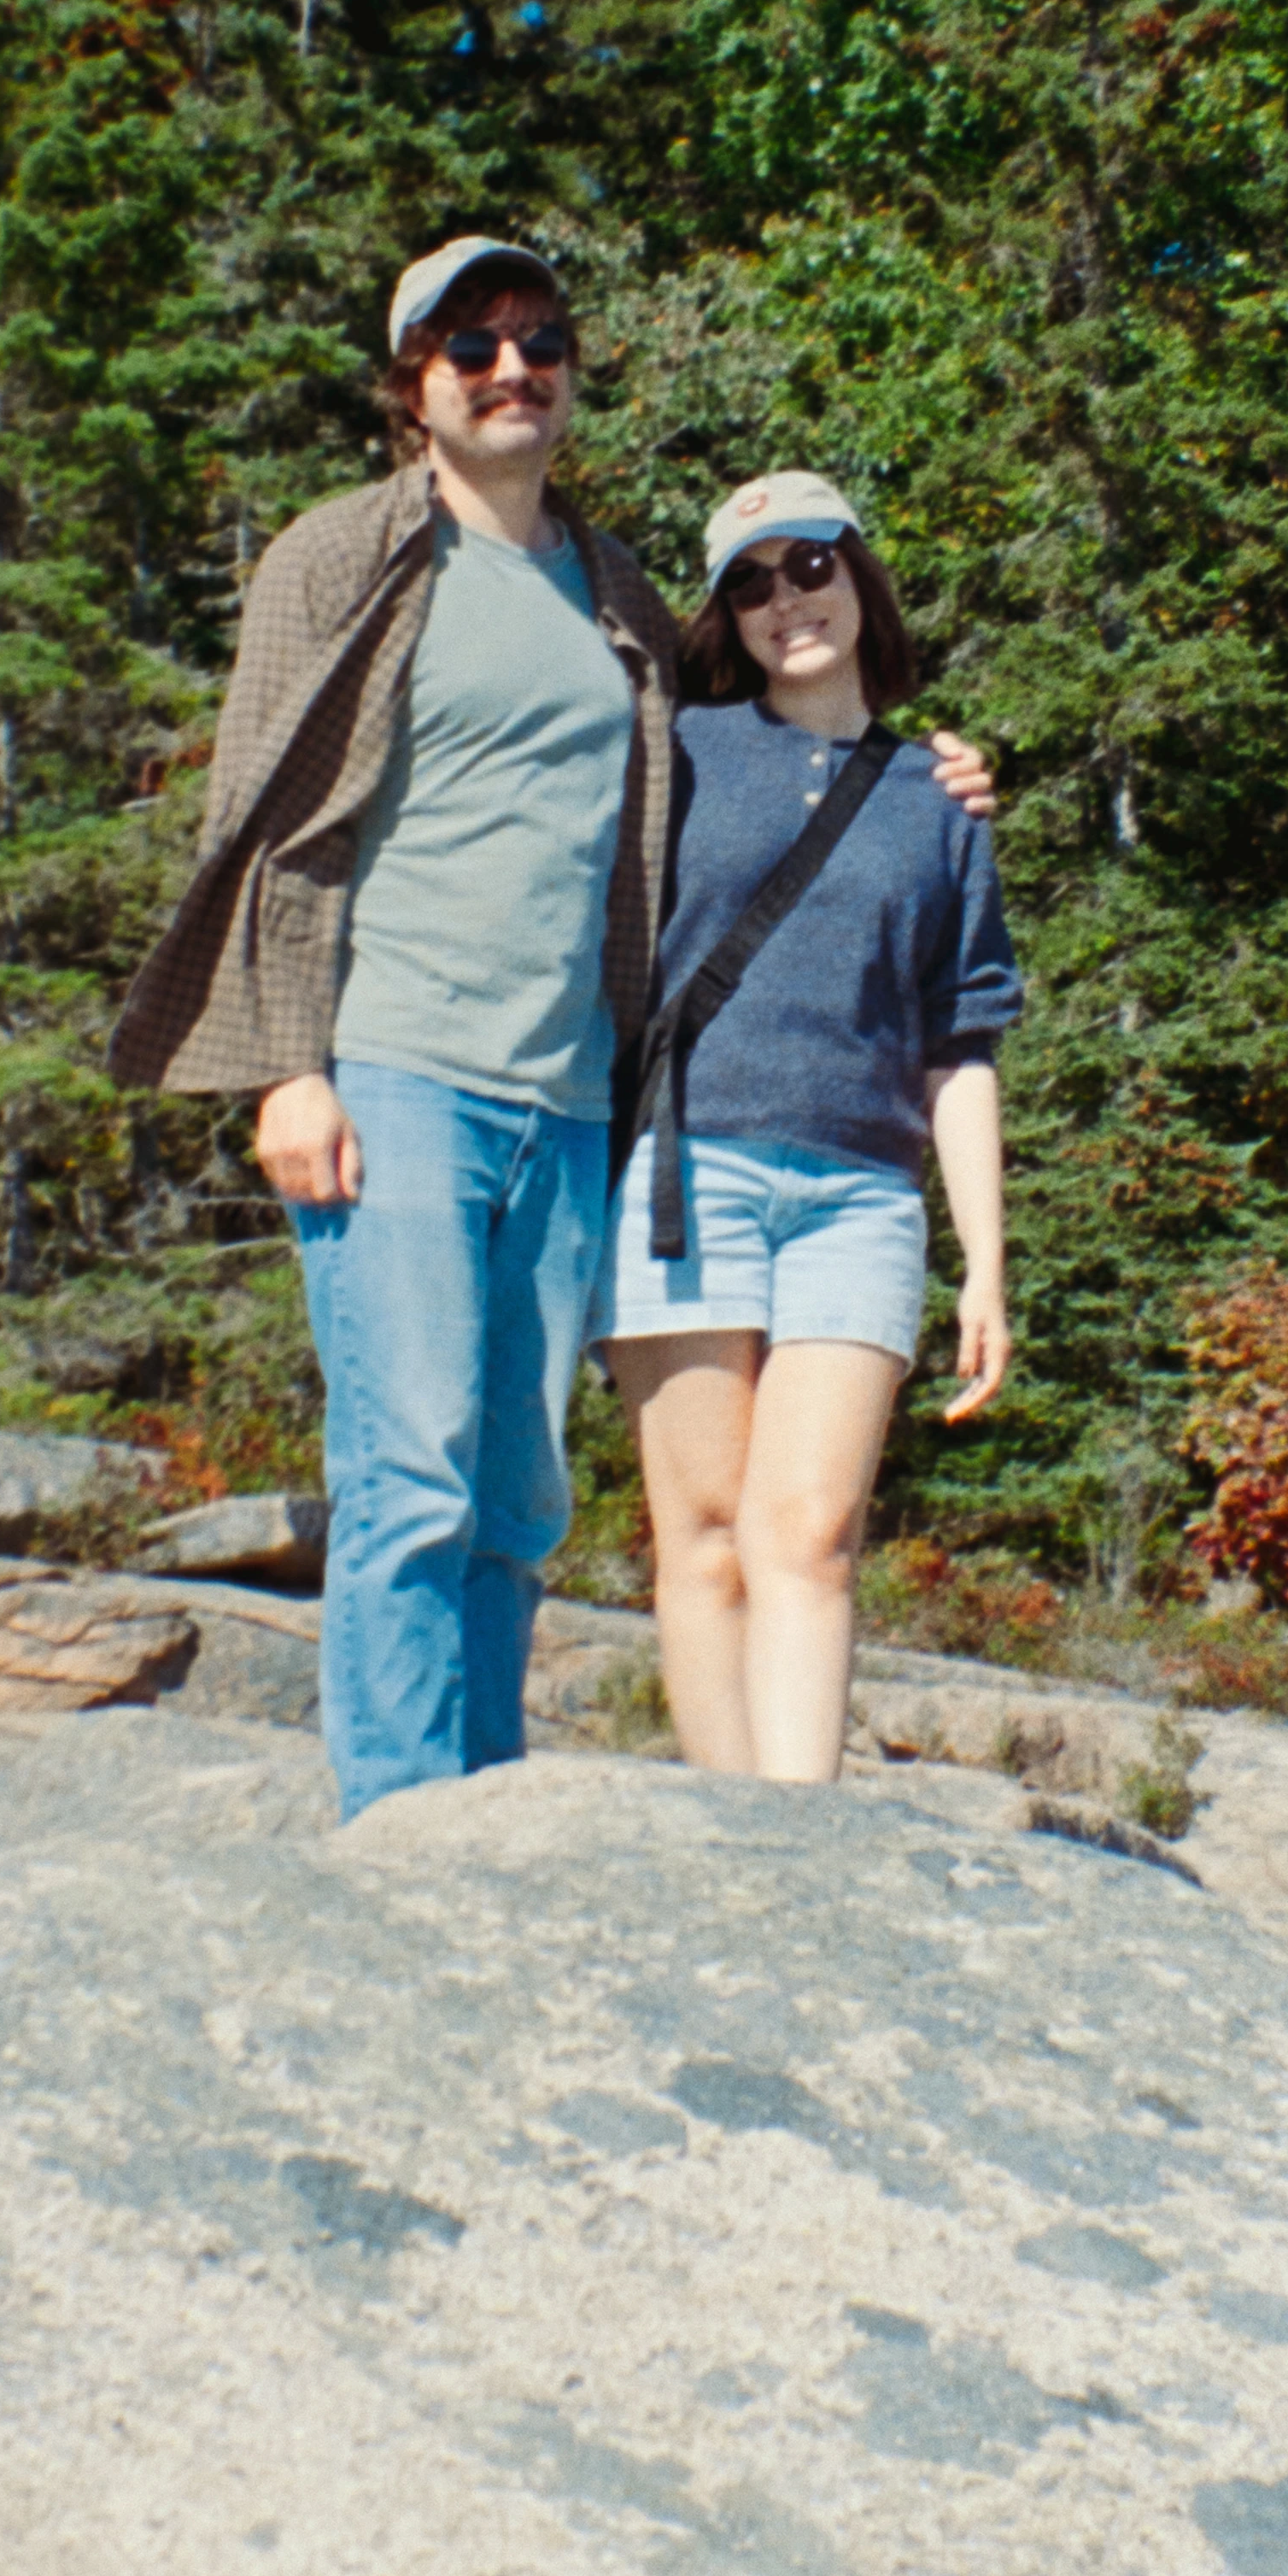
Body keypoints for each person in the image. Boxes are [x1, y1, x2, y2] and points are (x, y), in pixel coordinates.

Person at [110, 244, 993, 1823]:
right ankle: (397, 1824)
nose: (510, 370)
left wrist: (940, 769)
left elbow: (773, 750)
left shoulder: (618, 595)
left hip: (577, 1100)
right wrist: (285, 1065)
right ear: (412, 389)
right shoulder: (343, 560)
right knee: (414, 1470)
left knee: (519, 1494)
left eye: (539, 343)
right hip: (395, 1071)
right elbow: (260, 824)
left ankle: (486, 1811)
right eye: (471, 350)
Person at [598, 472, 1018, 1786]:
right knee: (708, 1535)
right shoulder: (681, 749)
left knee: (815, 1531)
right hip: (687, 1166)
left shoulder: (942, 800)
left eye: (813, 565)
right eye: (752, 581)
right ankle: (737, 1836)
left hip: (864, 1196)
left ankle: (806, 1837)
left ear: (861, 577)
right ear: (726, 615)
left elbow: (963, 1048)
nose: (790, 601)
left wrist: (989, 1267)